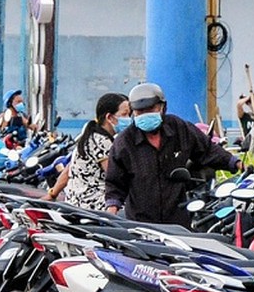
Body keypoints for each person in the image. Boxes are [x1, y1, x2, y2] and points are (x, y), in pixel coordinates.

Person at [104, 82, 243, 227]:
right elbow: (114, 183)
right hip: (141, 222)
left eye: (151, 109)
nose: (145, 115)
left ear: (162, 107)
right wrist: (111, 214)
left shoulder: (178, 128)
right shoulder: (124, 142)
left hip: (177, 220)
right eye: (140, 112)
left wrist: (237, 164)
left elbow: (208, 150)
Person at [48, 92, 129, 209]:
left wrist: (52, 194)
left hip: (75, 202)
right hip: (95, 205)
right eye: (124, 114)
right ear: (109, 117)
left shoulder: (89, 135)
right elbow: (116, 178)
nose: (129, 119)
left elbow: (69, 170)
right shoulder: (102, 142)